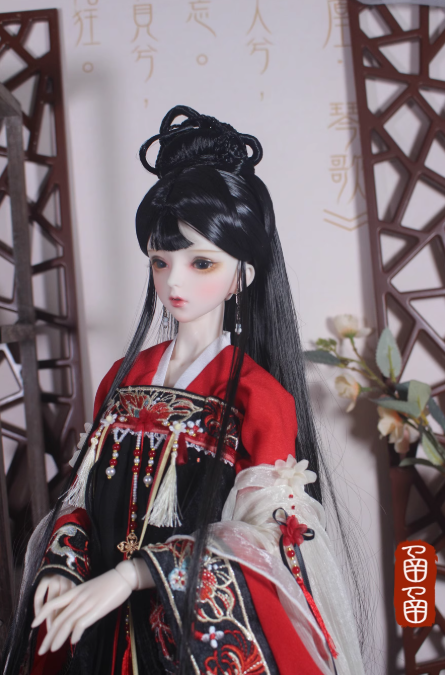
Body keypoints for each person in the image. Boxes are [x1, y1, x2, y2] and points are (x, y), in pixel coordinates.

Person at [2, 105, 365, 675]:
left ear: (242, 274)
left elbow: (262, 541)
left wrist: (136, 573)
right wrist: (62, 563)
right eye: (160, 261)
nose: (174, 281)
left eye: (201, 263)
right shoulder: (123, 378)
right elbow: (81, 499)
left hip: (187, 634)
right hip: (98, 623)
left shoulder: (257, 395)